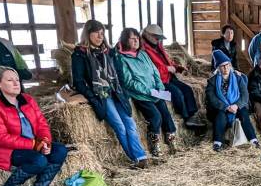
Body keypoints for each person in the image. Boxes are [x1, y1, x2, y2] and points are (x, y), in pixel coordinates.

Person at [0, 65, 68, 186]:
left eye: (17, 79)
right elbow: (0, 137)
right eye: (10, 80)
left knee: (60, 150)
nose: (16, 83)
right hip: (7, 150)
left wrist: (45, 141)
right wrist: (34, 144)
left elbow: (41, 124)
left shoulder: (27, 99)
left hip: (32, 144)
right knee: (39, 160)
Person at [71, 19, 148, 169]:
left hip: (116, 91)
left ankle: (141, 157)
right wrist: (92, 97)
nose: (100, 37)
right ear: (88, 34)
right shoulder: (79, 54)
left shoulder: (108, 51)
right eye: (97, 33)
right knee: (119, 126)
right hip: (101, 94)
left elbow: (117, 73)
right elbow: (78, 81)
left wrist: (122, 90)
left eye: (102, 33)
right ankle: (135, 158)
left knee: (130, 123)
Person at [115, 28, 177, 158]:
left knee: (166, 113)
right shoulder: (122, 58)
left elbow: (155, 71)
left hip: (155, 92)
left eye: (137, 38)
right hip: (141, 95)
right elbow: (128, 82)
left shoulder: (143, 54)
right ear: (125, 40)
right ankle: (154, 144)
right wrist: (148, 91)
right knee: (155, 117)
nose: (136, 40)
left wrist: (160, 87)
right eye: (133, 38)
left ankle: (171, 140)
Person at [140, 24, 205, 129]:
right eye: (157, 38)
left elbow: (166, 63)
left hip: (168, 77)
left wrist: (177, 67)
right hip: (158, 82)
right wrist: (167, 69)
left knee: (187, 89)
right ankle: (186, 118)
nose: (158, 40)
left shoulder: (158, 47)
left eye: (159, 38)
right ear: (148, 36)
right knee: (177, 94)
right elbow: (150, 71)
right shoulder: (143, 51)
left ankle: (193, 115)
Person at [205, 49, 259, 153]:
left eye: (227, 65)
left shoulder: (238, 78)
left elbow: (245, 95)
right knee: (220, 117)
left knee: (244, 114)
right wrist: (226, 107)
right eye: (222, 66)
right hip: (222, 107)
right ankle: (217, 142)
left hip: (236, 106)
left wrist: (236, 105)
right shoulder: (212, 81)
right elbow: (212, 98)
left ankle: (253, 140)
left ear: (230, 65)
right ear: (218, 67)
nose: (225, 68)